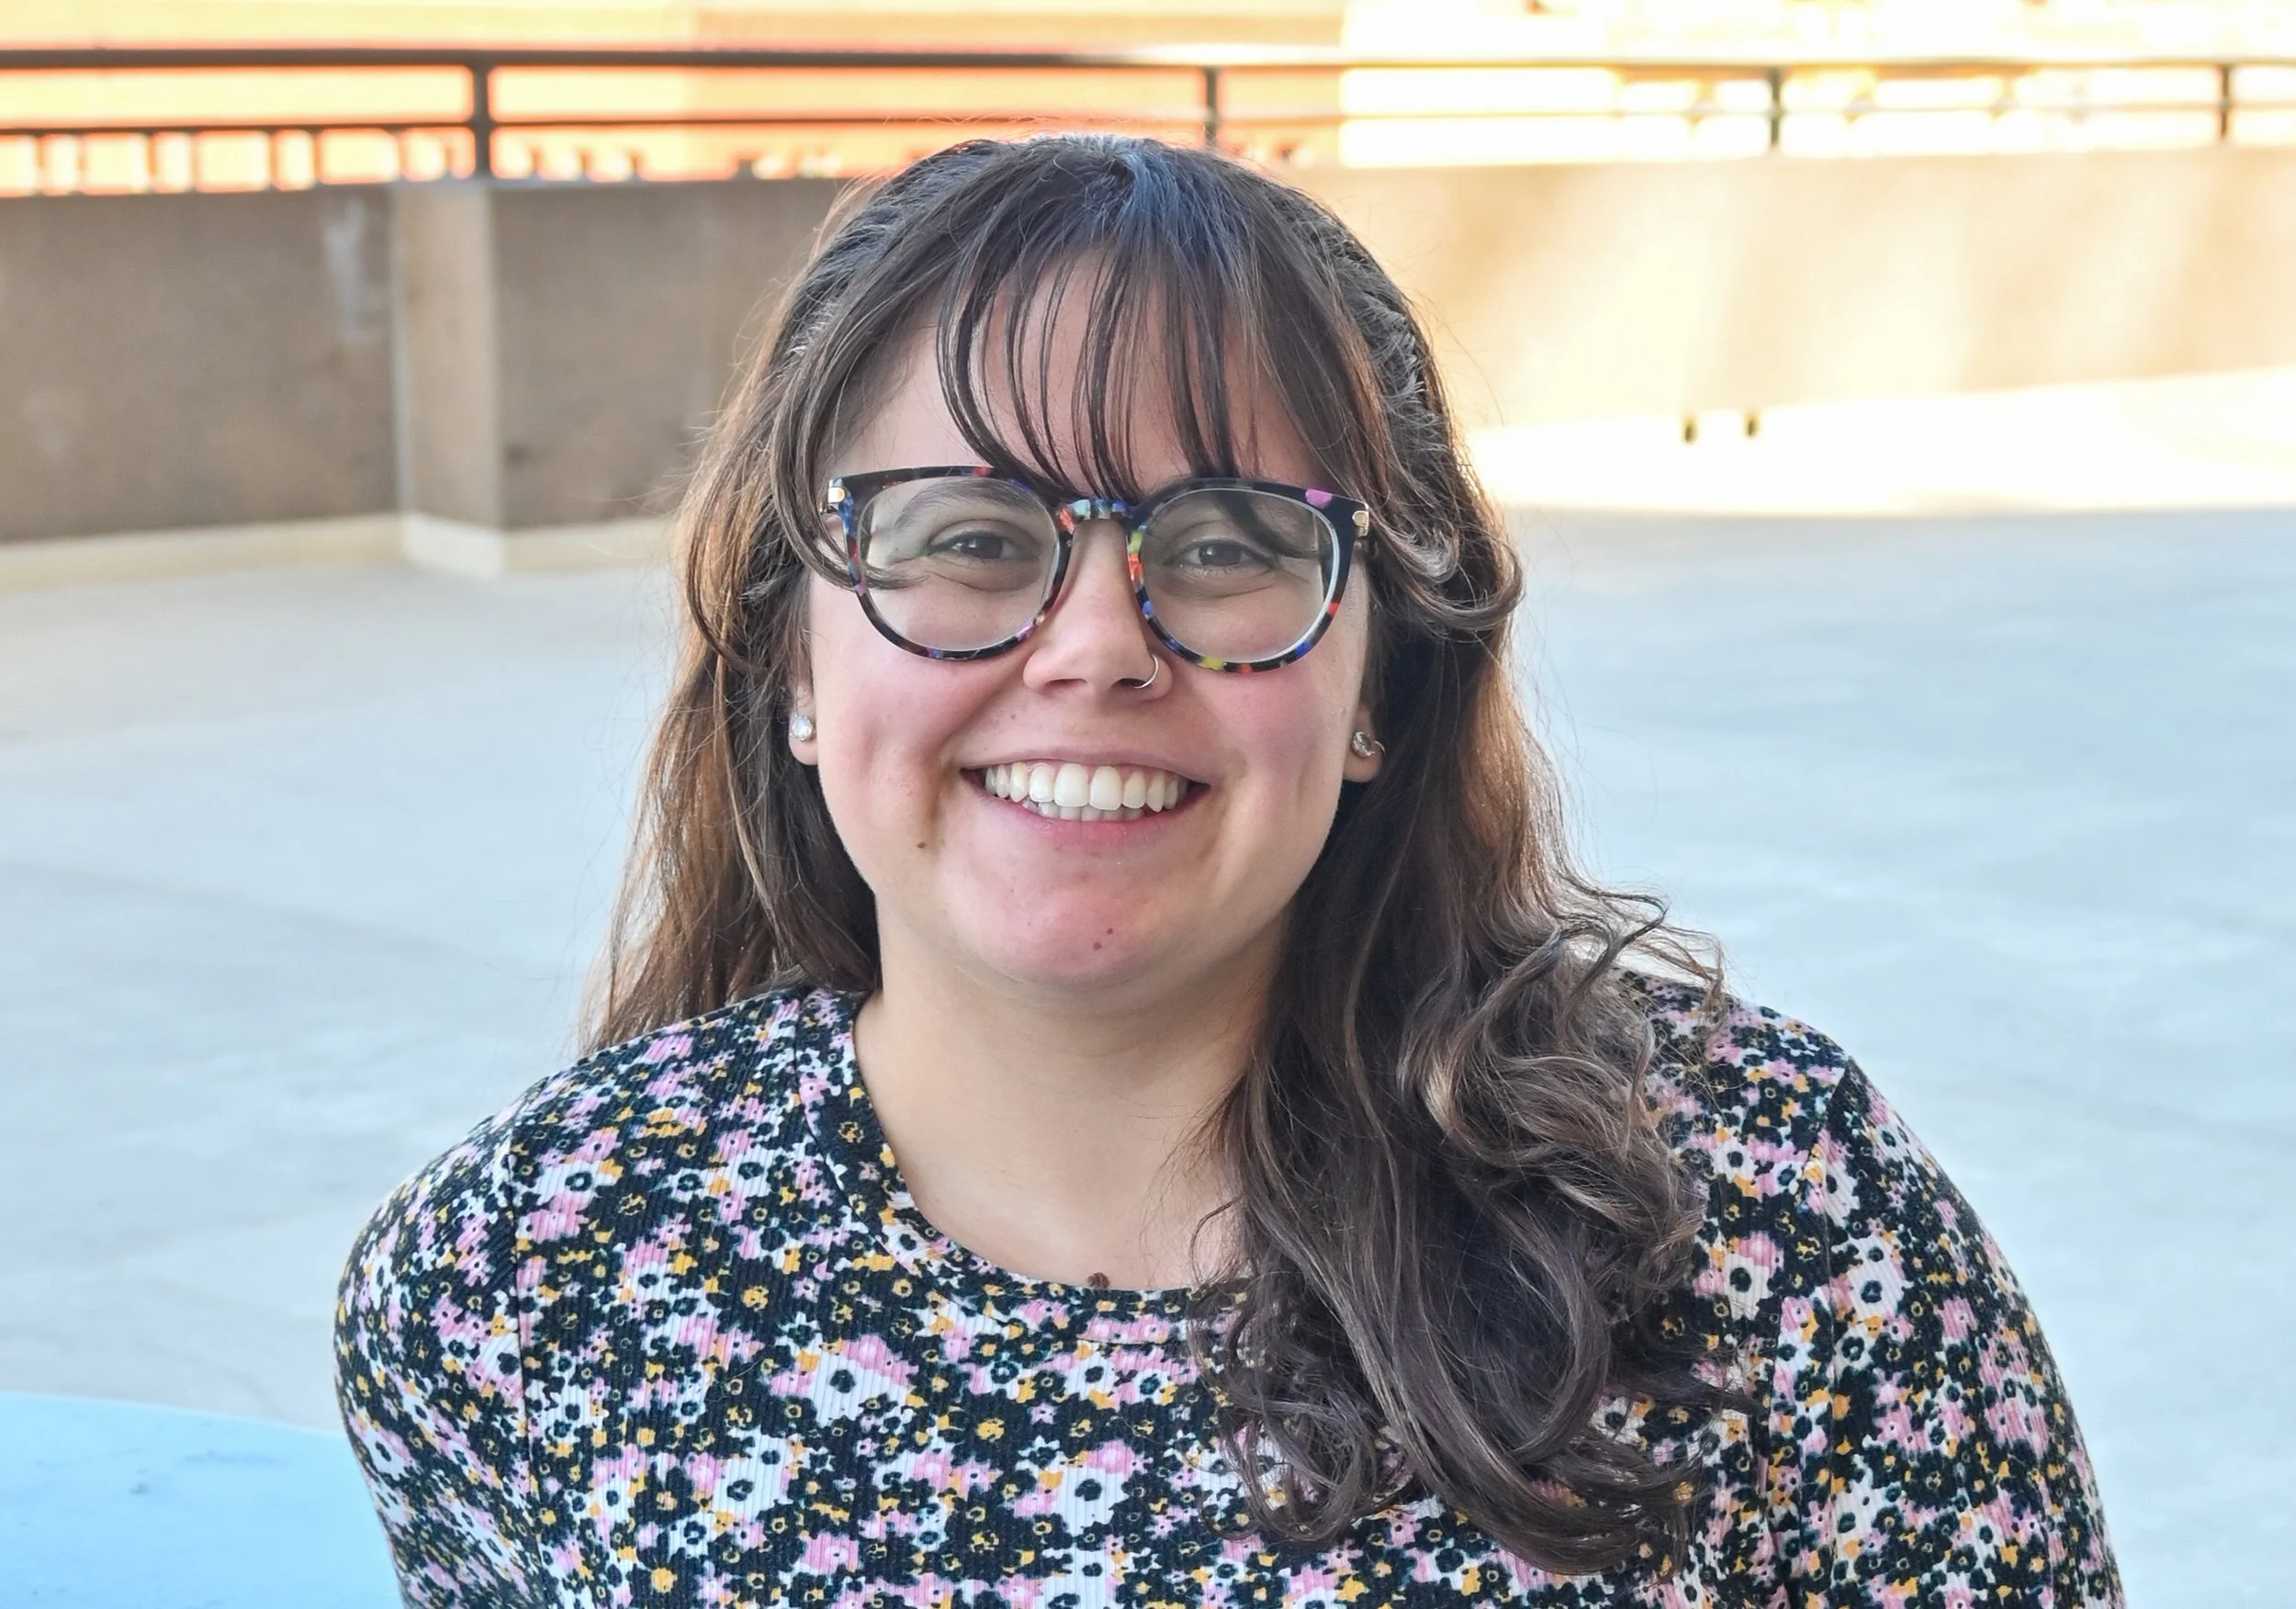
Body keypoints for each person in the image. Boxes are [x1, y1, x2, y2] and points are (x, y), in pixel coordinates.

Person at [334, 135, 2122, 1607]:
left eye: (1225, 545)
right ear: (796, 659)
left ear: (1376, 685)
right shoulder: (534, 1259)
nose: (1096, 644)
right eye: (966, 538)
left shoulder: (1753, 1211)